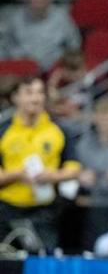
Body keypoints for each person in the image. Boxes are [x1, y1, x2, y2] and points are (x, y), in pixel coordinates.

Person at [0, 76, 81, 251]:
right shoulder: (4, 131)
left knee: (43, 263)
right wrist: (18, 174)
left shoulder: (59, 129)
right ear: (15, 97)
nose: (35, 98)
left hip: (45, 212)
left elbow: (74, 169)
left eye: (39, 93)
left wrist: (52, 176)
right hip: (7, 210)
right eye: (29, 93)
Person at [5, 0, 82, 72]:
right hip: (22, 72)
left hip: (53, 71)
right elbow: (7, 48)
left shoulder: (62, 19)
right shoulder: (16, 21)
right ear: (27, 0)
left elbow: (74, 47)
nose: (37, 1)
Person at [76, 98, 108, 205]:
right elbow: (75, 173)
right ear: (96, 119)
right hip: (91, 202)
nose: (106, 123)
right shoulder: (84, 146)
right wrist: (80, 177)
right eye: (103, 119)